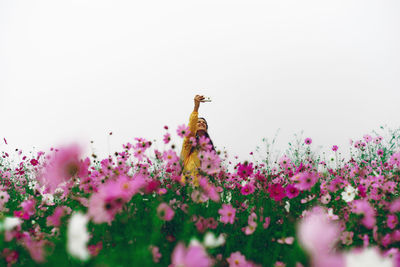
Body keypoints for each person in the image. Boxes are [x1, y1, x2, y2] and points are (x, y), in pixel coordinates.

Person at [180, 95, 216, 186]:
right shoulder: (189, 142)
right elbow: (191, 130)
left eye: (204, 123)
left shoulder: (210, 149)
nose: (201, 123)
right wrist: (196, 107)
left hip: (204, 189)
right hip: (188, 184)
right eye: (198, 122)